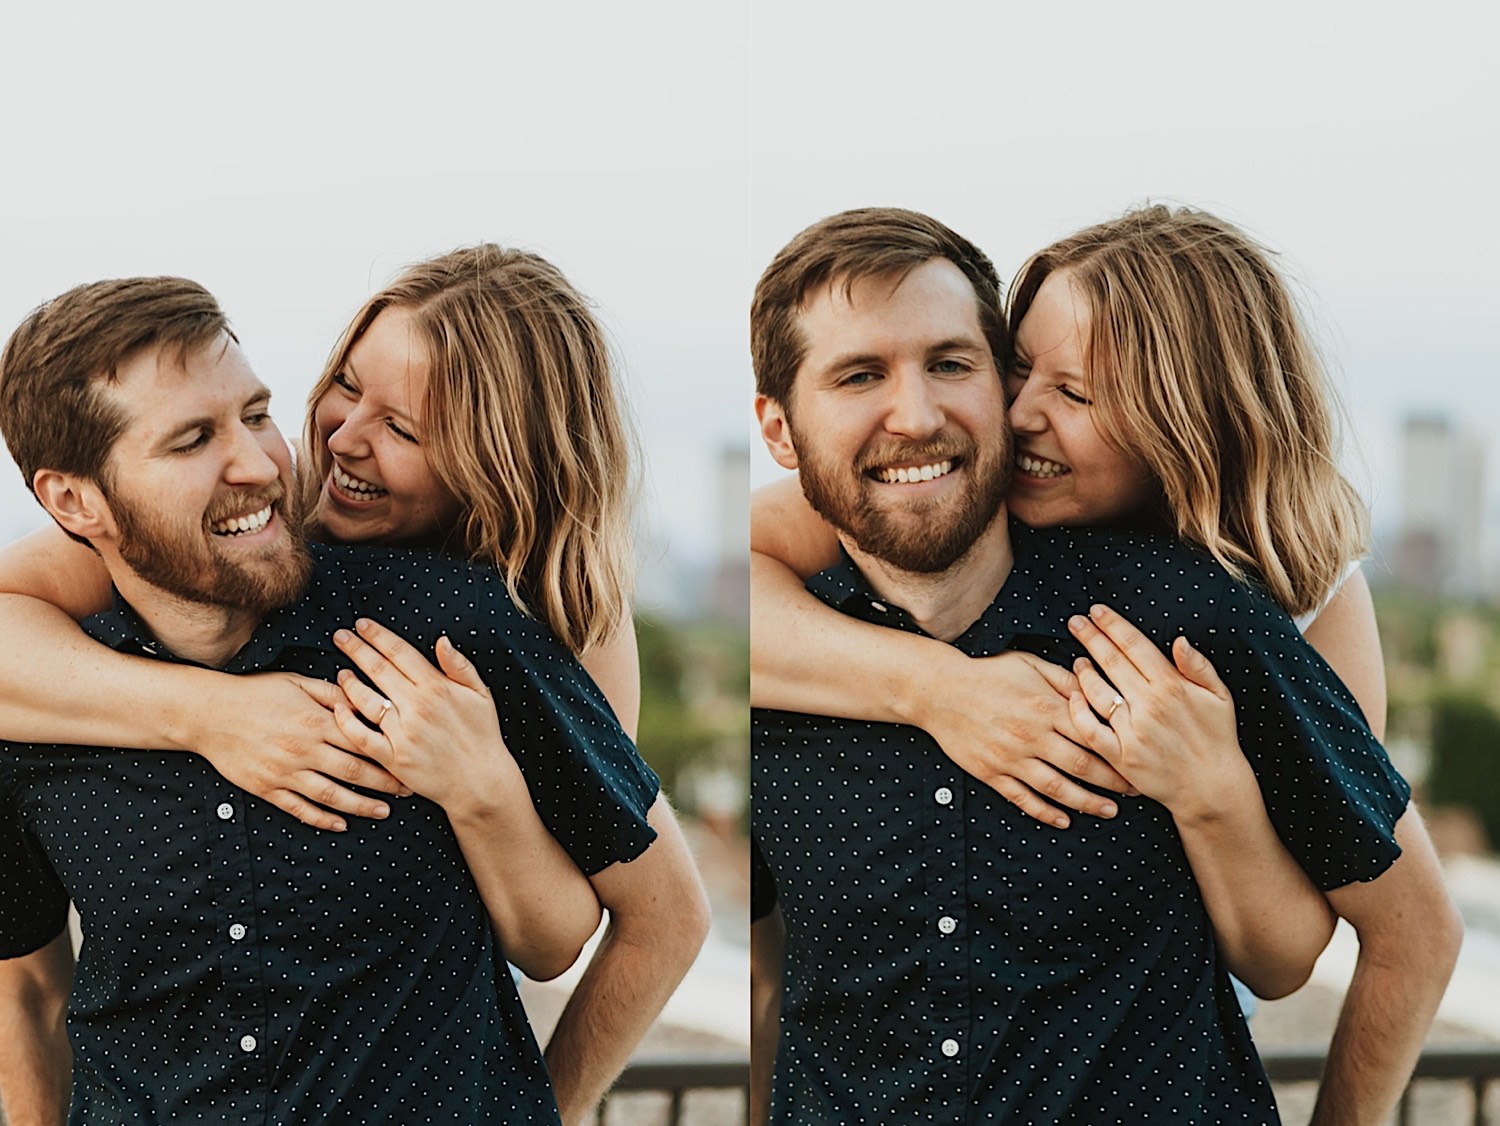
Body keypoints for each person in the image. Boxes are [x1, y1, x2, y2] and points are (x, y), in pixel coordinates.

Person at [749, 206, 1462, 1122]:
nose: (1017, 411)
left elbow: (1313, 942)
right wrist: (942, 690)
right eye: (1014, 366)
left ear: (1183, 426)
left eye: (1076, 394)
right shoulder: (939, 478)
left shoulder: (1280, 599)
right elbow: (761, 579)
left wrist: (1215, 790)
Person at [0, 264, 709, 1124]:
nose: (332, 442)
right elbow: (25, 991)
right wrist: (210, 713)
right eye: (344, 384)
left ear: (493, 471)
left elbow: (577, 929)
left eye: (405, 428)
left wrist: (484, 788)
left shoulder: (508, 625)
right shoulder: (160, 568)